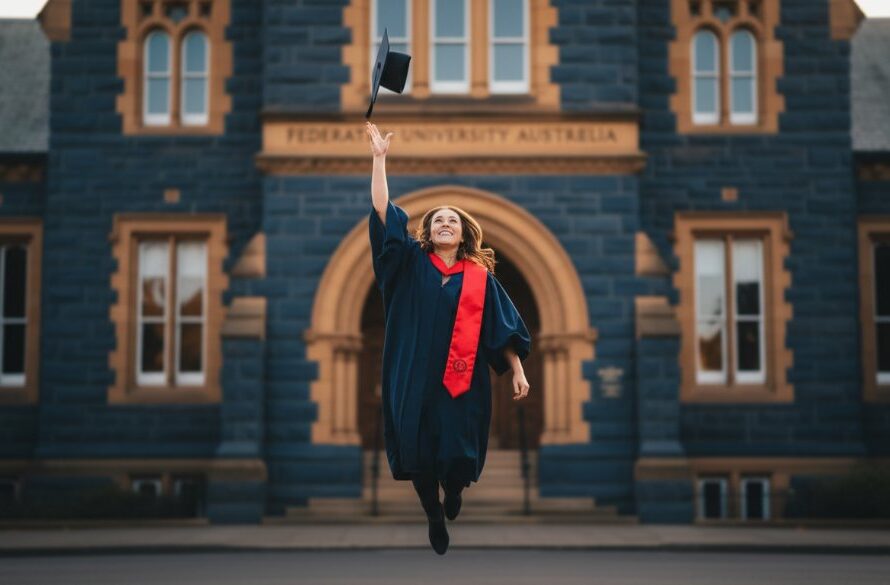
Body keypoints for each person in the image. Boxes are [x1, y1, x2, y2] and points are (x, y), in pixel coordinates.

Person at [365, 121, 531, 555]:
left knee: (457, 454)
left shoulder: (480, 278)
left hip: (461, 382)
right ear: (428, 231)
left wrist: (517, 369)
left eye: (452, 220)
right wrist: (380, 160)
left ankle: (454, 490)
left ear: (463, 233)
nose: (444, 223)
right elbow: (384, 216)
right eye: (437, 219)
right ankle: (433, 514)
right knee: (418, 454)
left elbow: (503, 326)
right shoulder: (408, 265)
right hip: (413, 376)